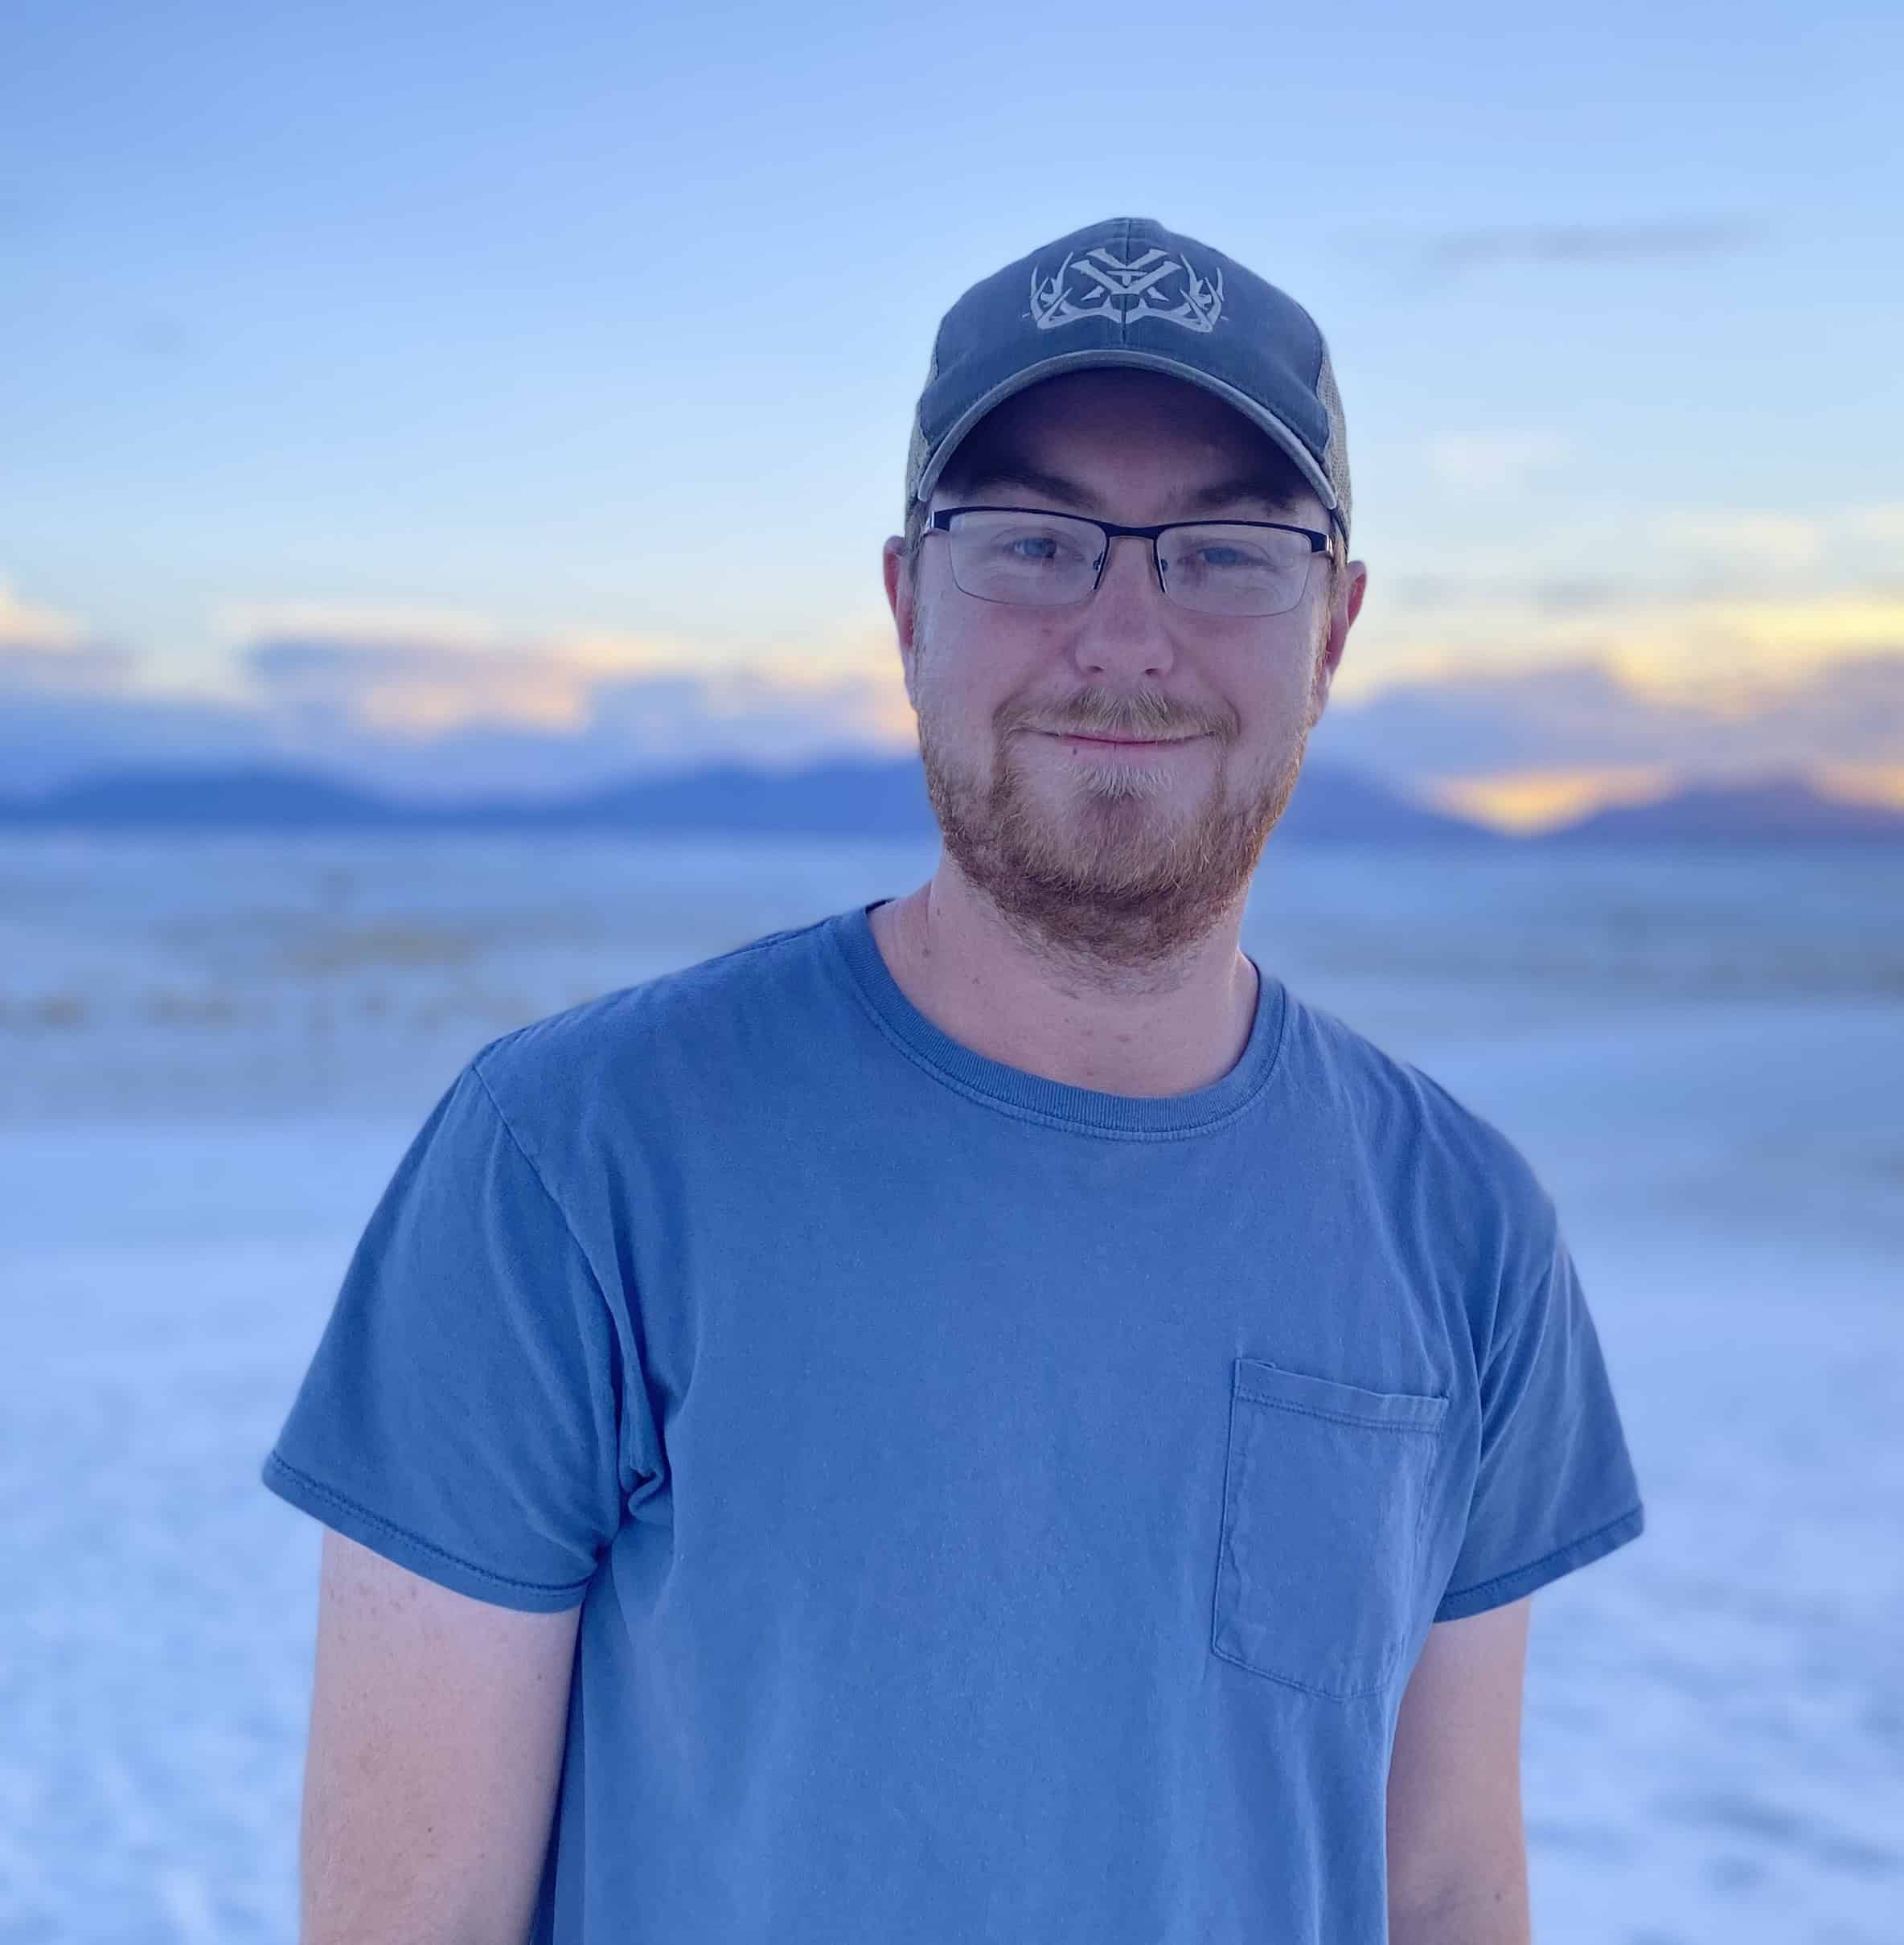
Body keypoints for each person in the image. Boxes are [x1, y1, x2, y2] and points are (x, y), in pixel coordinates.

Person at [261, 214, 1644, 1945]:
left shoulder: (1462, 1225)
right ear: (911, 599)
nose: (1126, 637)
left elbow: (1442, 1888)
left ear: (1336, 624)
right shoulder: (573, 1158)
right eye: (1036, 543)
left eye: (1223, 552)